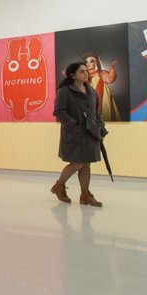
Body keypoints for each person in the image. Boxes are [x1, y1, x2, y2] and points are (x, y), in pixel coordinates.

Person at [51, 61, 107, 207]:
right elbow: (59, 112)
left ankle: (85, 194)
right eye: (82, 71)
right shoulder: (65, 91)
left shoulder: (91, 91)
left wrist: (101, 127)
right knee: (77, 163)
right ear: (72, 75)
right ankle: (59, 186)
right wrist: (74, 124)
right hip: (74, 134)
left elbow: (96, 113)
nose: (86, 73)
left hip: (90, 133)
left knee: (86, 164)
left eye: (86, 71)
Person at [83, 51, 120, 121]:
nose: (88, 64)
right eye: (86, 62)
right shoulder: (83, 75)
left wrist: (112, 69)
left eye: (91, 61)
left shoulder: (101, 73)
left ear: (96, 62)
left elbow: (110, 79)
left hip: (103, 101)